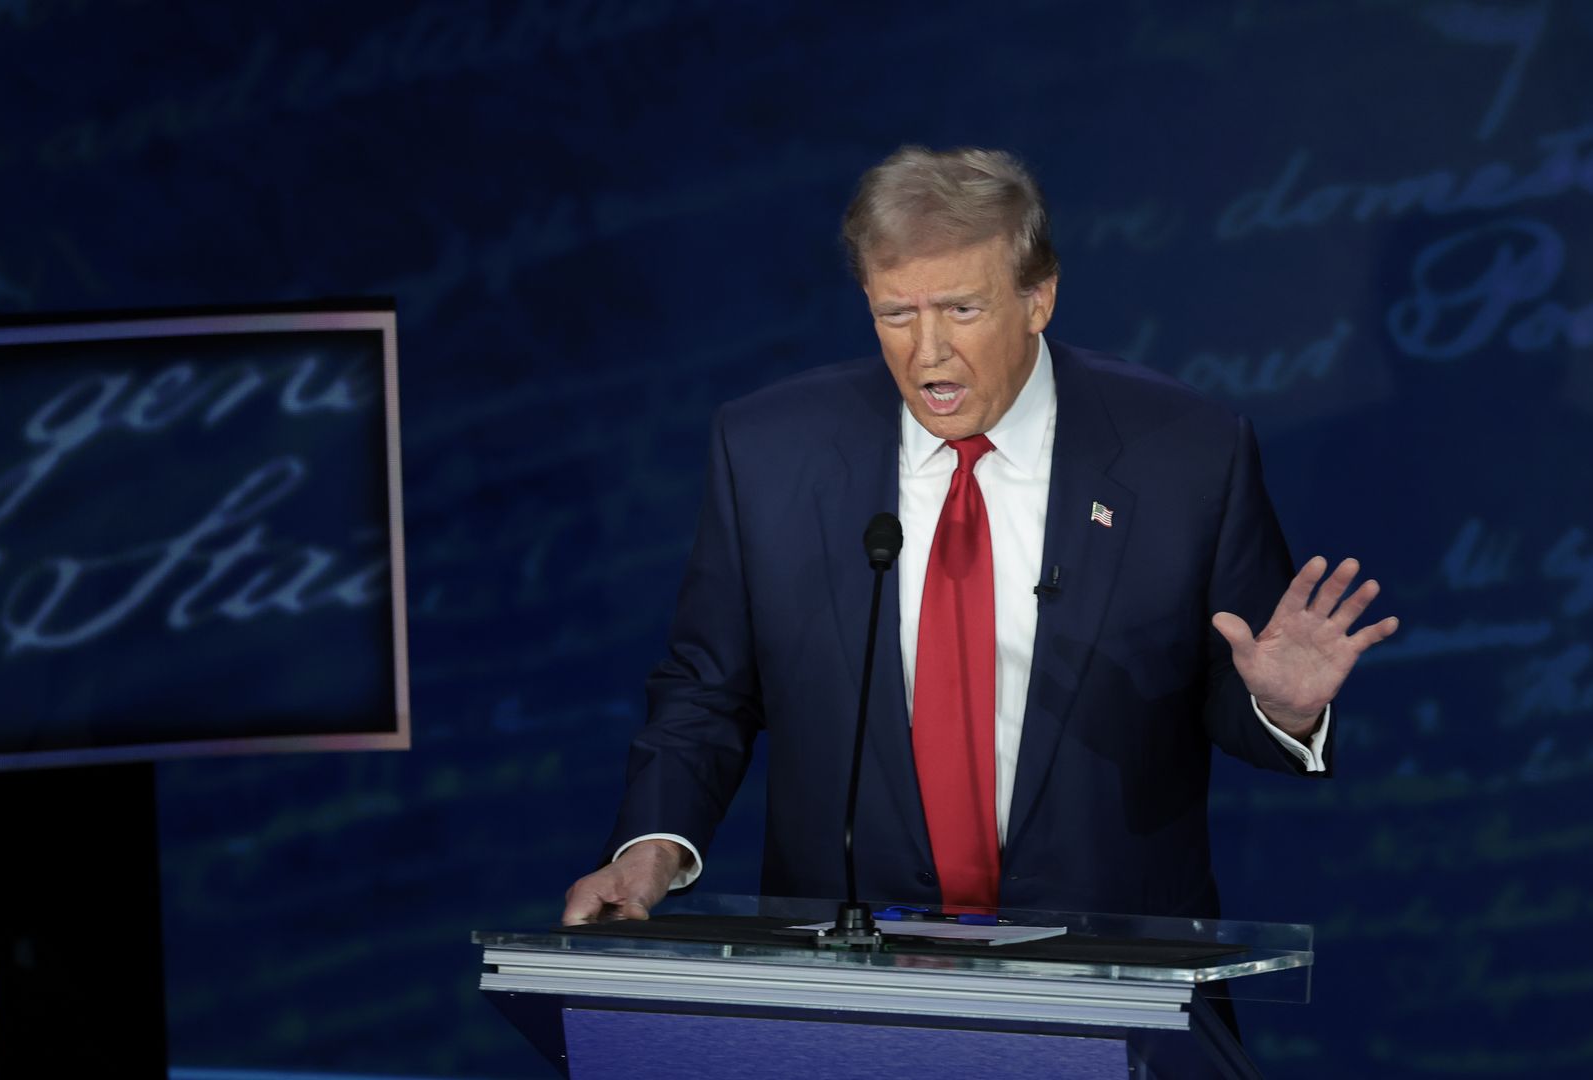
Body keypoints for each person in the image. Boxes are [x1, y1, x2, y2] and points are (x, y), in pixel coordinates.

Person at [562, 146, 1397, 925]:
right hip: (853, 983)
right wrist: (651, 850)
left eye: (962, 309)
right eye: (896, 313)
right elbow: (707, 692)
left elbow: (1230, 679)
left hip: (1105, 968)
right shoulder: (769, 452)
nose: (929, 351)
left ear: (1039, 298)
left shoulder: (1186, 452)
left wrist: (1281, 707)